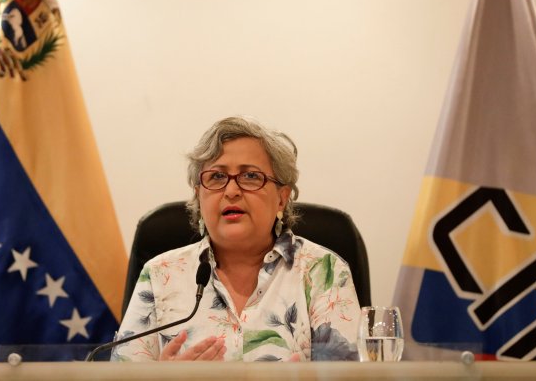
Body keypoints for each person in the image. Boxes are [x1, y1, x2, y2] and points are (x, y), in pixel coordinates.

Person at [112, 116, 360, 362]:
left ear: (282, 198)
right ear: (199, 196)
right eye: (216, 177)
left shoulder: (323, 272)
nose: (231, 191)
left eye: (251, 176)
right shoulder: (158, 276)